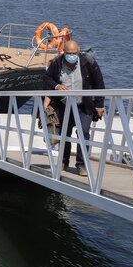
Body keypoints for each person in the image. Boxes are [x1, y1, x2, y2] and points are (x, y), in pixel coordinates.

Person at [44, 39, 106, 175]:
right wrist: (57, 86)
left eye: (74, 53)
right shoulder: (56, 63)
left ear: (78, 52)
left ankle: (82, 164)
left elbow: (99, 84)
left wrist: (100, 104)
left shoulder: (88, 63)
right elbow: (47, 78)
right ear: (64, 52)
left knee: (83, 133)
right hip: (64, 105)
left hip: (84, 105)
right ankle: (64, 161)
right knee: (64, 133)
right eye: (69, 53)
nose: (72, 56)